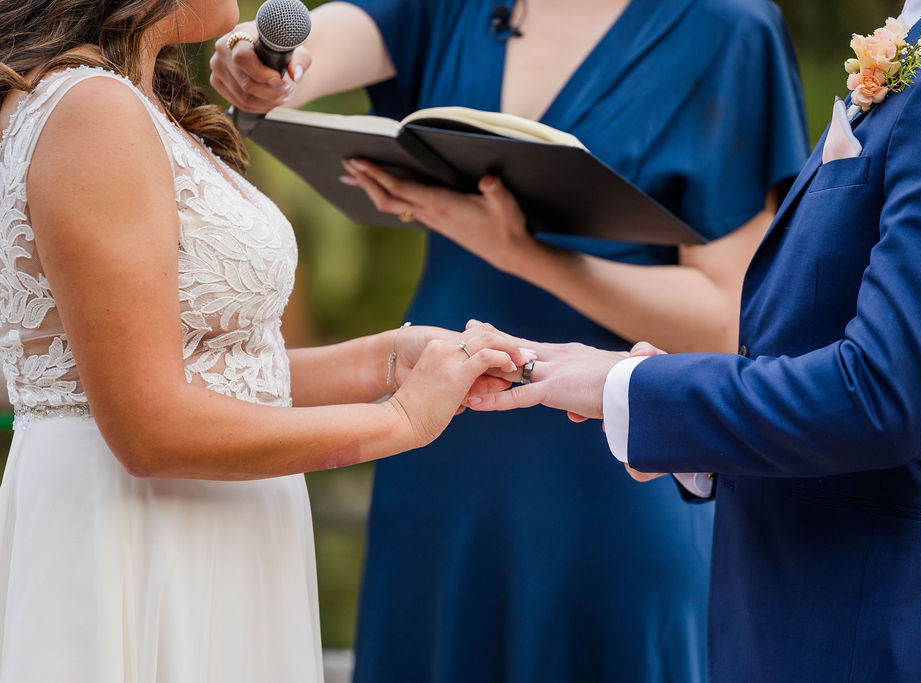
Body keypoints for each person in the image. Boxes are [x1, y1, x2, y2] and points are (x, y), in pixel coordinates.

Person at [210, 0, 807, 680]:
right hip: (437, 452)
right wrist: (262, 65)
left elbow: (728, 320)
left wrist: (521, 252)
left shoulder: (727, 27)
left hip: (611, 468)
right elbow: (325, 42)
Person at [470, 0, 921, 678]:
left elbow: (883, 395)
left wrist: (632, 388)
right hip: (804, 617)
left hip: (898, 632)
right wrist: (686, 432)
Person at [0, 1, 532, 681]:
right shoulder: (92, 109)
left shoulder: (121, 102)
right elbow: (148, 426)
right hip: (145, 535)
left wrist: (387, 362)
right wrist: (398, 421)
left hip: (204, 526)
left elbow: (210, 371)